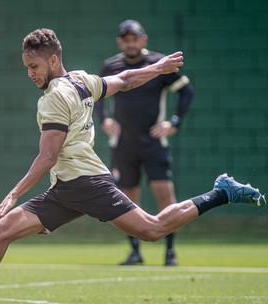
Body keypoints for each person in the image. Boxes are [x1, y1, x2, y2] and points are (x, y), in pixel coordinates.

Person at [0, 28, 266, 304]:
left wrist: (12, 194)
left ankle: (221, 192)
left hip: (86, 184)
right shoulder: (81, 80)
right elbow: (126, 80)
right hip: (66, 188)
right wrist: (155, 69)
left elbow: (47, 157)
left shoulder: (53, 98)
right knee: (1, 231)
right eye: (26, 68)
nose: (30, 74)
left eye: (34, 67)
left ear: (53, 60)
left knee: (152, 229)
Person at [95, 19, 194, 266]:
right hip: (124, 144)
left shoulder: (158, 64)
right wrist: (104, 119)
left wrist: (173, 122)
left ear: (143, 40)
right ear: (120, 42)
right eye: (126, 39)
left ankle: (170, 251)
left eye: (134, 38)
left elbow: (186, 91)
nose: (131, 43)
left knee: (164, 193)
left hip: (152, 142)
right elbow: (95, 94)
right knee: (127, 200)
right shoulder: (111, 65)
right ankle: (135, 251)